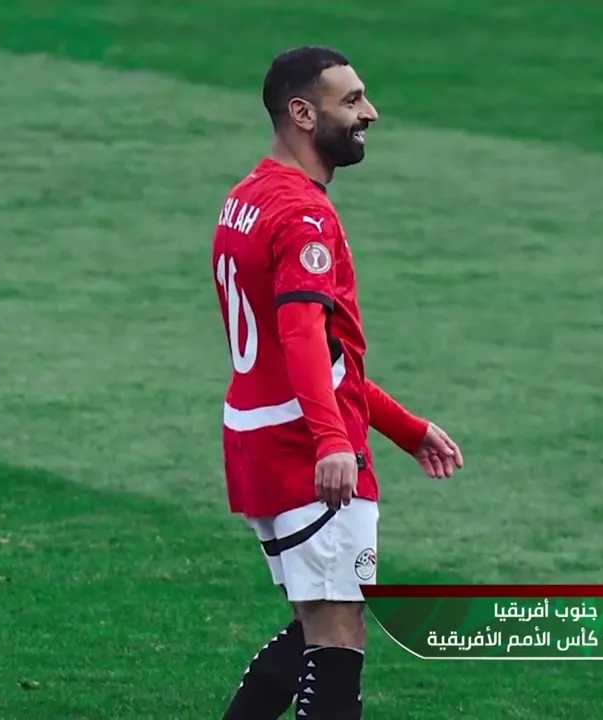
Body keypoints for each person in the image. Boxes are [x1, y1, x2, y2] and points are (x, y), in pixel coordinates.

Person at [210, 46, 464, 720]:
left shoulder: (247, 197)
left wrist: (405, 429)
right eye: (350, 101)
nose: (369, 113)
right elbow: (300, 338)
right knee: (337, 633)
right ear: (302, 113)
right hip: (305, 447)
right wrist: (332, 442)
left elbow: (318, 356)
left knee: (316, 621)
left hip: (259, 438)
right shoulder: (304, 215)